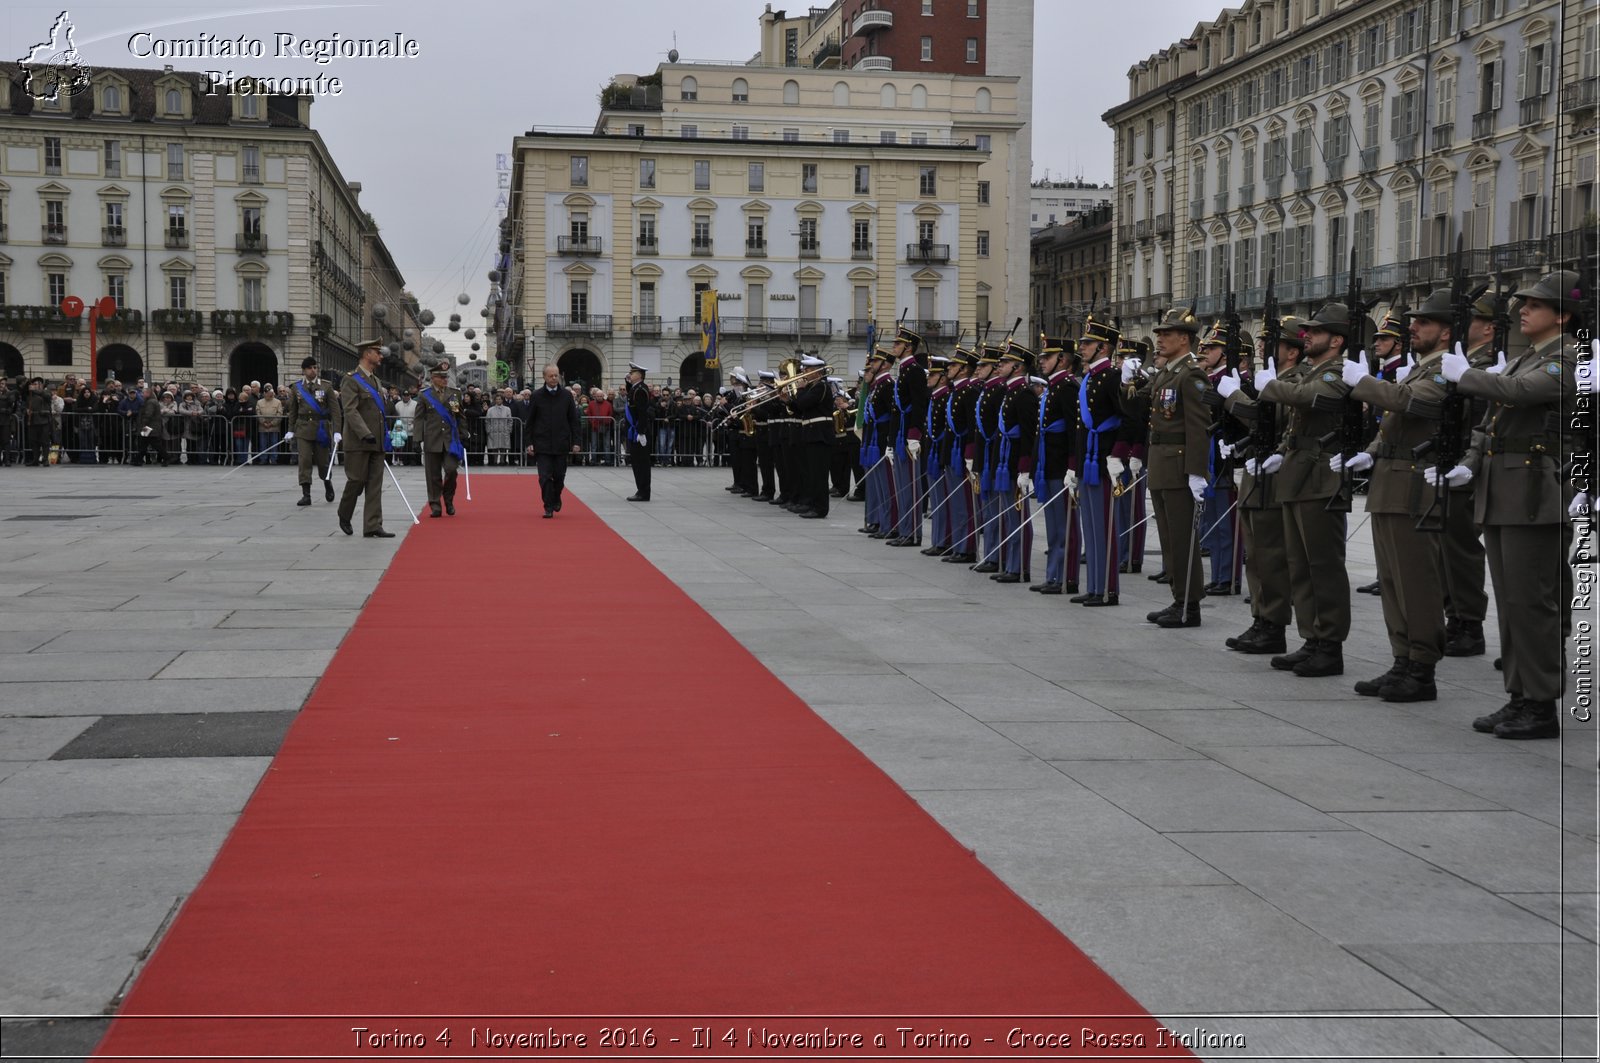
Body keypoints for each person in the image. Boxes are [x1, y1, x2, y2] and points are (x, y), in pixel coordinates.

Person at [1445, 270, 1579, 739]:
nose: (1523, 309)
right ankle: (1519, 695)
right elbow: (1493, 420)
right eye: (1524, 303)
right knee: (1511, 603)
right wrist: (1470, 459)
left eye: (1535, 305)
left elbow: (1521, 395)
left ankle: (1541, 706)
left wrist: (1468, 376)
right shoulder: (1525, 359)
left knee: (1532, 603)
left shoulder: (1566, 357)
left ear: (1562, 315)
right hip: (1503, 490)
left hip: (1534, 495)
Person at [1256, 302, 1357, 676]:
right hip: (1298, 474)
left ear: (1336, 339)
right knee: (1300, 565)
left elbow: (1308, 399)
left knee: (1323, 566)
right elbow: (1295, 424)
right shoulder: (1314, 370)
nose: (1307, 336)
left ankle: (1330, 644)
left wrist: (1271, 386)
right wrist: (1281, 453)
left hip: (1321, 478)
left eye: (1316, 331)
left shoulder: (1339, 372)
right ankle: (1311, 638)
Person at [1132, 308, 1211, 627]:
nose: (1160, 338)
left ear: (1185, 339)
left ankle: (1190, 605)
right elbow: (1140, 408)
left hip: (1179, 466)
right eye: (1159, 334)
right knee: (1168, 538)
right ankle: (1178, 598)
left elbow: (1198, 426)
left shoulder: (1191, 374)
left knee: (1182, 538)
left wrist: (1195, 471)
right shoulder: (1166, 373)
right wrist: (1128, 382)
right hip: (1161, 462)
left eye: (1167, 334)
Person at [336, 340, 393, 538]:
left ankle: (372, 525)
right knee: (356, 480)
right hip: (358, 441)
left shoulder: (376, 381)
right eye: (378, 352)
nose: (381, 356)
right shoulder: (350, 379)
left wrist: (381, 434)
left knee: (375, 484)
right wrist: (364, 432)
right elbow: (350, 410)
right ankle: (344, 513)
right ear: (367, 354)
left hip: (376, 441)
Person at [525, 363, 584, 517]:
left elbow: (573, 420)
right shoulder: (537, 396)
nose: (554, 378)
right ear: (544, 377)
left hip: (561, 443)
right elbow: (529, 421)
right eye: (550, 375)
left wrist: (576, 442)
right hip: (542, 443)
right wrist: (529, 442)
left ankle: (556, 496)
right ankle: (548, 506)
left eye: (556, 375)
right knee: (544, 477)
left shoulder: (566, 396)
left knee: (559, 476)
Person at [282, 356, 340, 507]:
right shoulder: (296, 388)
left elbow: (335, 411)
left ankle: (327, 483)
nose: (313, 370)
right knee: (304, 460)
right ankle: (306, 494)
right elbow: (293, 411)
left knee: (323, 462)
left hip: (321, 428)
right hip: (302, 429)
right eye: (310, 368)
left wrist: (337, 431)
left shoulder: (326, 387)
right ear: (304, 370)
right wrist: (290, 430)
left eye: (315, 367)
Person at [413, 362, 466, 518]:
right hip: (432, 439)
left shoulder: (454, 394)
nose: (444, 379)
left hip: (450, 441)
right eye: (441, 377)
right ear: (433, 378)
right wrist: (417, 439)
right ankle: (435, 504)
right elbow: (419, 418)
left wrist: (464, 432)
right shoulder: (425, 395)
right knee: (433, 475)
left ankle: (448, 500)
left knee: (451, 470)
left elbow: (459, 415)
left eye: (446, 377)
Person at [623, 362, 653, 501]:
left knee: (641, 463)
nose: (630, 374)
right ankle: (641, 490)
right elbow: (631, 398)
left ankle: (644, 492)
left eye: (633, 373)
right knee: (636, 462)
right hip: (635, 431)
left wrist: (641, 432)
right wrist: (627, 382)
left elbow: (642, 412)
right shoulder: (636, 388)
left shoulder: (640, 390)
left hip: (639, 432)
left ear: (639, 375)